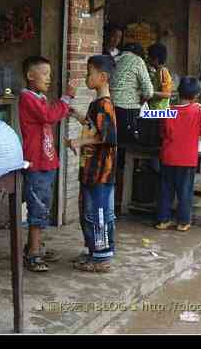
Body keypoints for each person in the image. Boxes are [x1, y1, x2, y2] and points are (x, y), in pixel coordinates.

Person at [19, 56, 77, 272]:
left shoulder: (39, 97)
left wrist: (67, 107)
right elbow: (49, 116)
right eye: (44, 74)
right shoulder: (27, 98)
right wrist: (66, 98)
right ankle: (33, 253)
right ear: (30, 75)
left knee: (43, 205)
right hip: (37, 163)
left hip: (47, 162)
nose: (49, 78)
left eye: (50, 75)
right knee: (38, 207)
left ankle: (35, 246)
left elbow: (51, 113)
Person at [67, 55, 118, 273]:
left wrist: (79, 141)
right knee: (88, 211)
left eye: (89, 73)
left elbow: (107, 136)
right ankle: (94, 251)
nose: (87, 77)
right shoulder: (96, 104)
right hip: (90, 171)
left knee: (98, 213)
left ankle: (102, 258)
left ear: (103, 77)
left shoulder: (104, 105)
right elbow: (93, 126)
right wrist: (76, 114)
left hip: (101, 173)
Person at [156, 77, 201, 232]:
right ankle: (183, 222)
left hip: (168, 158)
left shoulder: (169, 111)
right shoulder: (197, 111)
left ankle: (163, 220)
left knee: (166, 190)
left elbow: (162, 132)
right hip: (187, 160)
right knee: (185, 191)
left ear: (178, 92)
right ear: (197, 95)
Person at [110, 43, 154, 145]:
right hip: (128, 110)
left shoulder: (114, 60)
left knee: (115, 142)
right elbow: (148, 91)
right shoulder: (137, 61)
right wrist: (142, 100)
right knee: (128, 145)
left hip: (110, 106)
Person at [147, 42, 173, 110]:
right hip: (154, 108)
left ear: (156, 59)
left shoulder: (163, 71)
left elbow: (167, 94)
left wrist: (150, 93)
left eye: (149, 57)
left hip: (161, 110)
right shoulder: (156, 71)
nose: (148, 59)